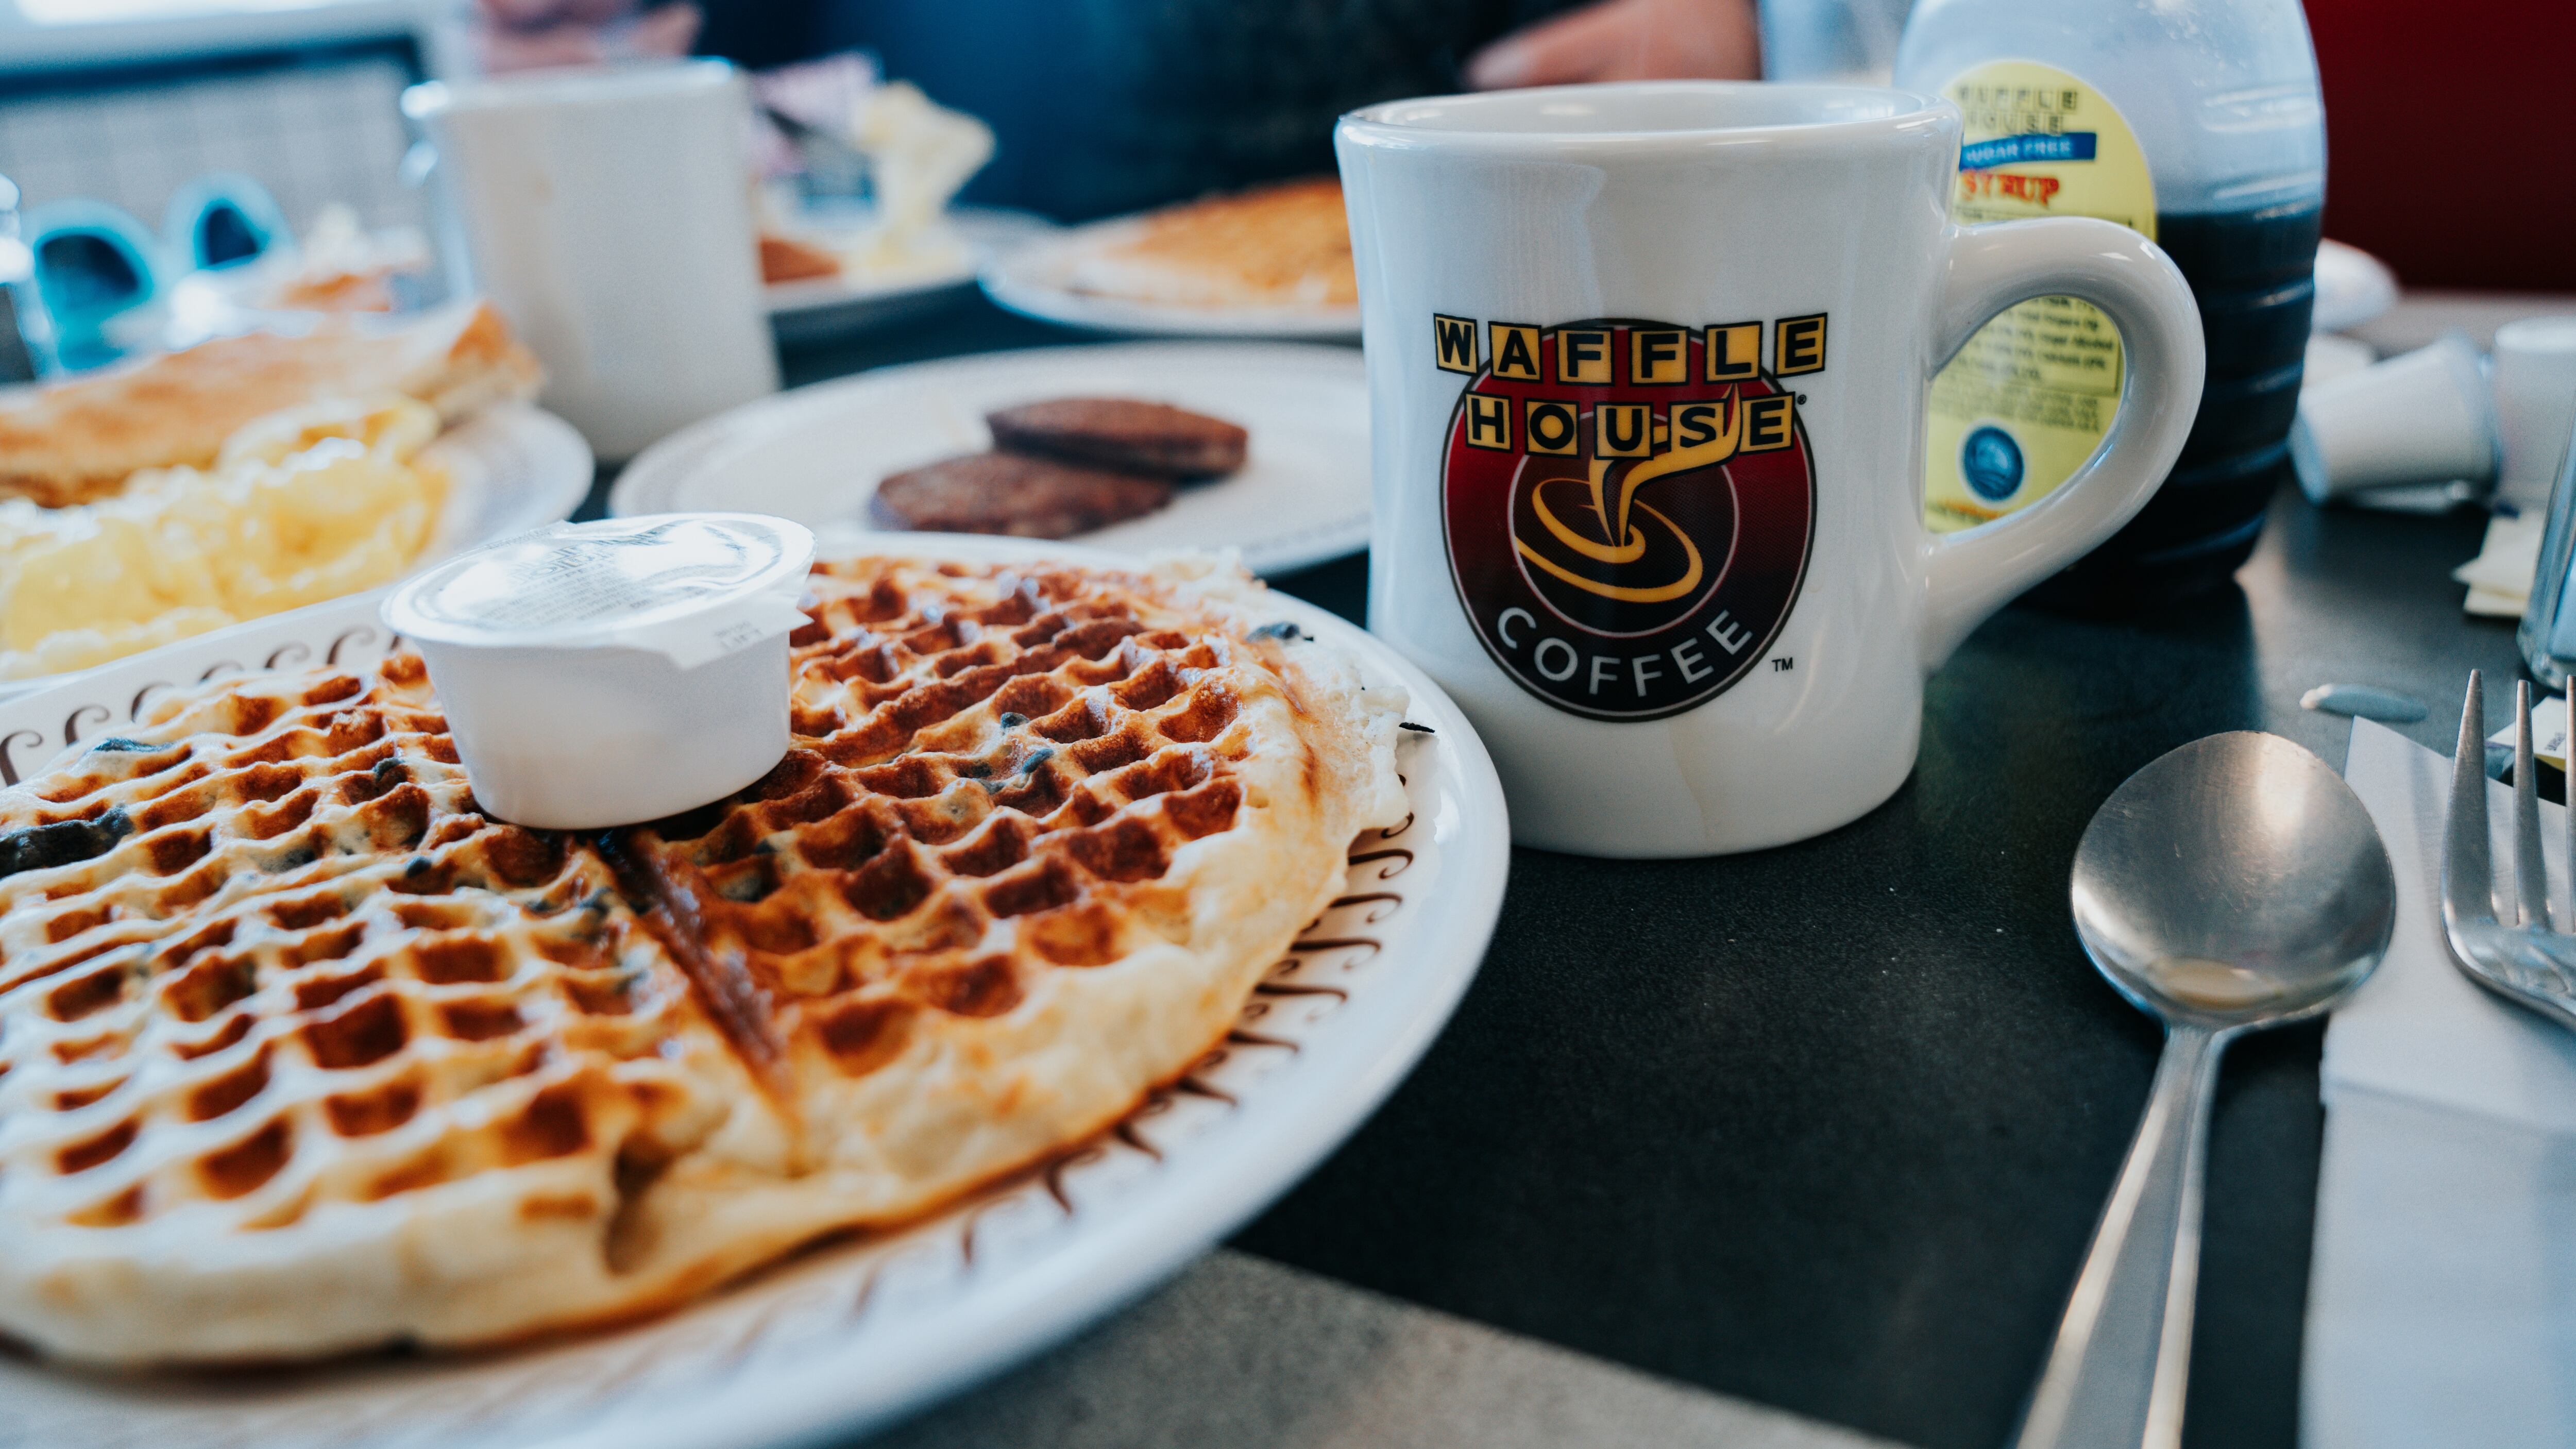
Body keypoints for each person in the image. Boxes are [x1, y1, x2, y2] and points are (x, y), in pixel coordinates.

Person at [470, 0, 1763, 219]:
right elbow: (686, 47)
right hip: (928, 370)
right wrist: (594, 56)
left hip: (1458, 352)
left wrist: (1757, 26)